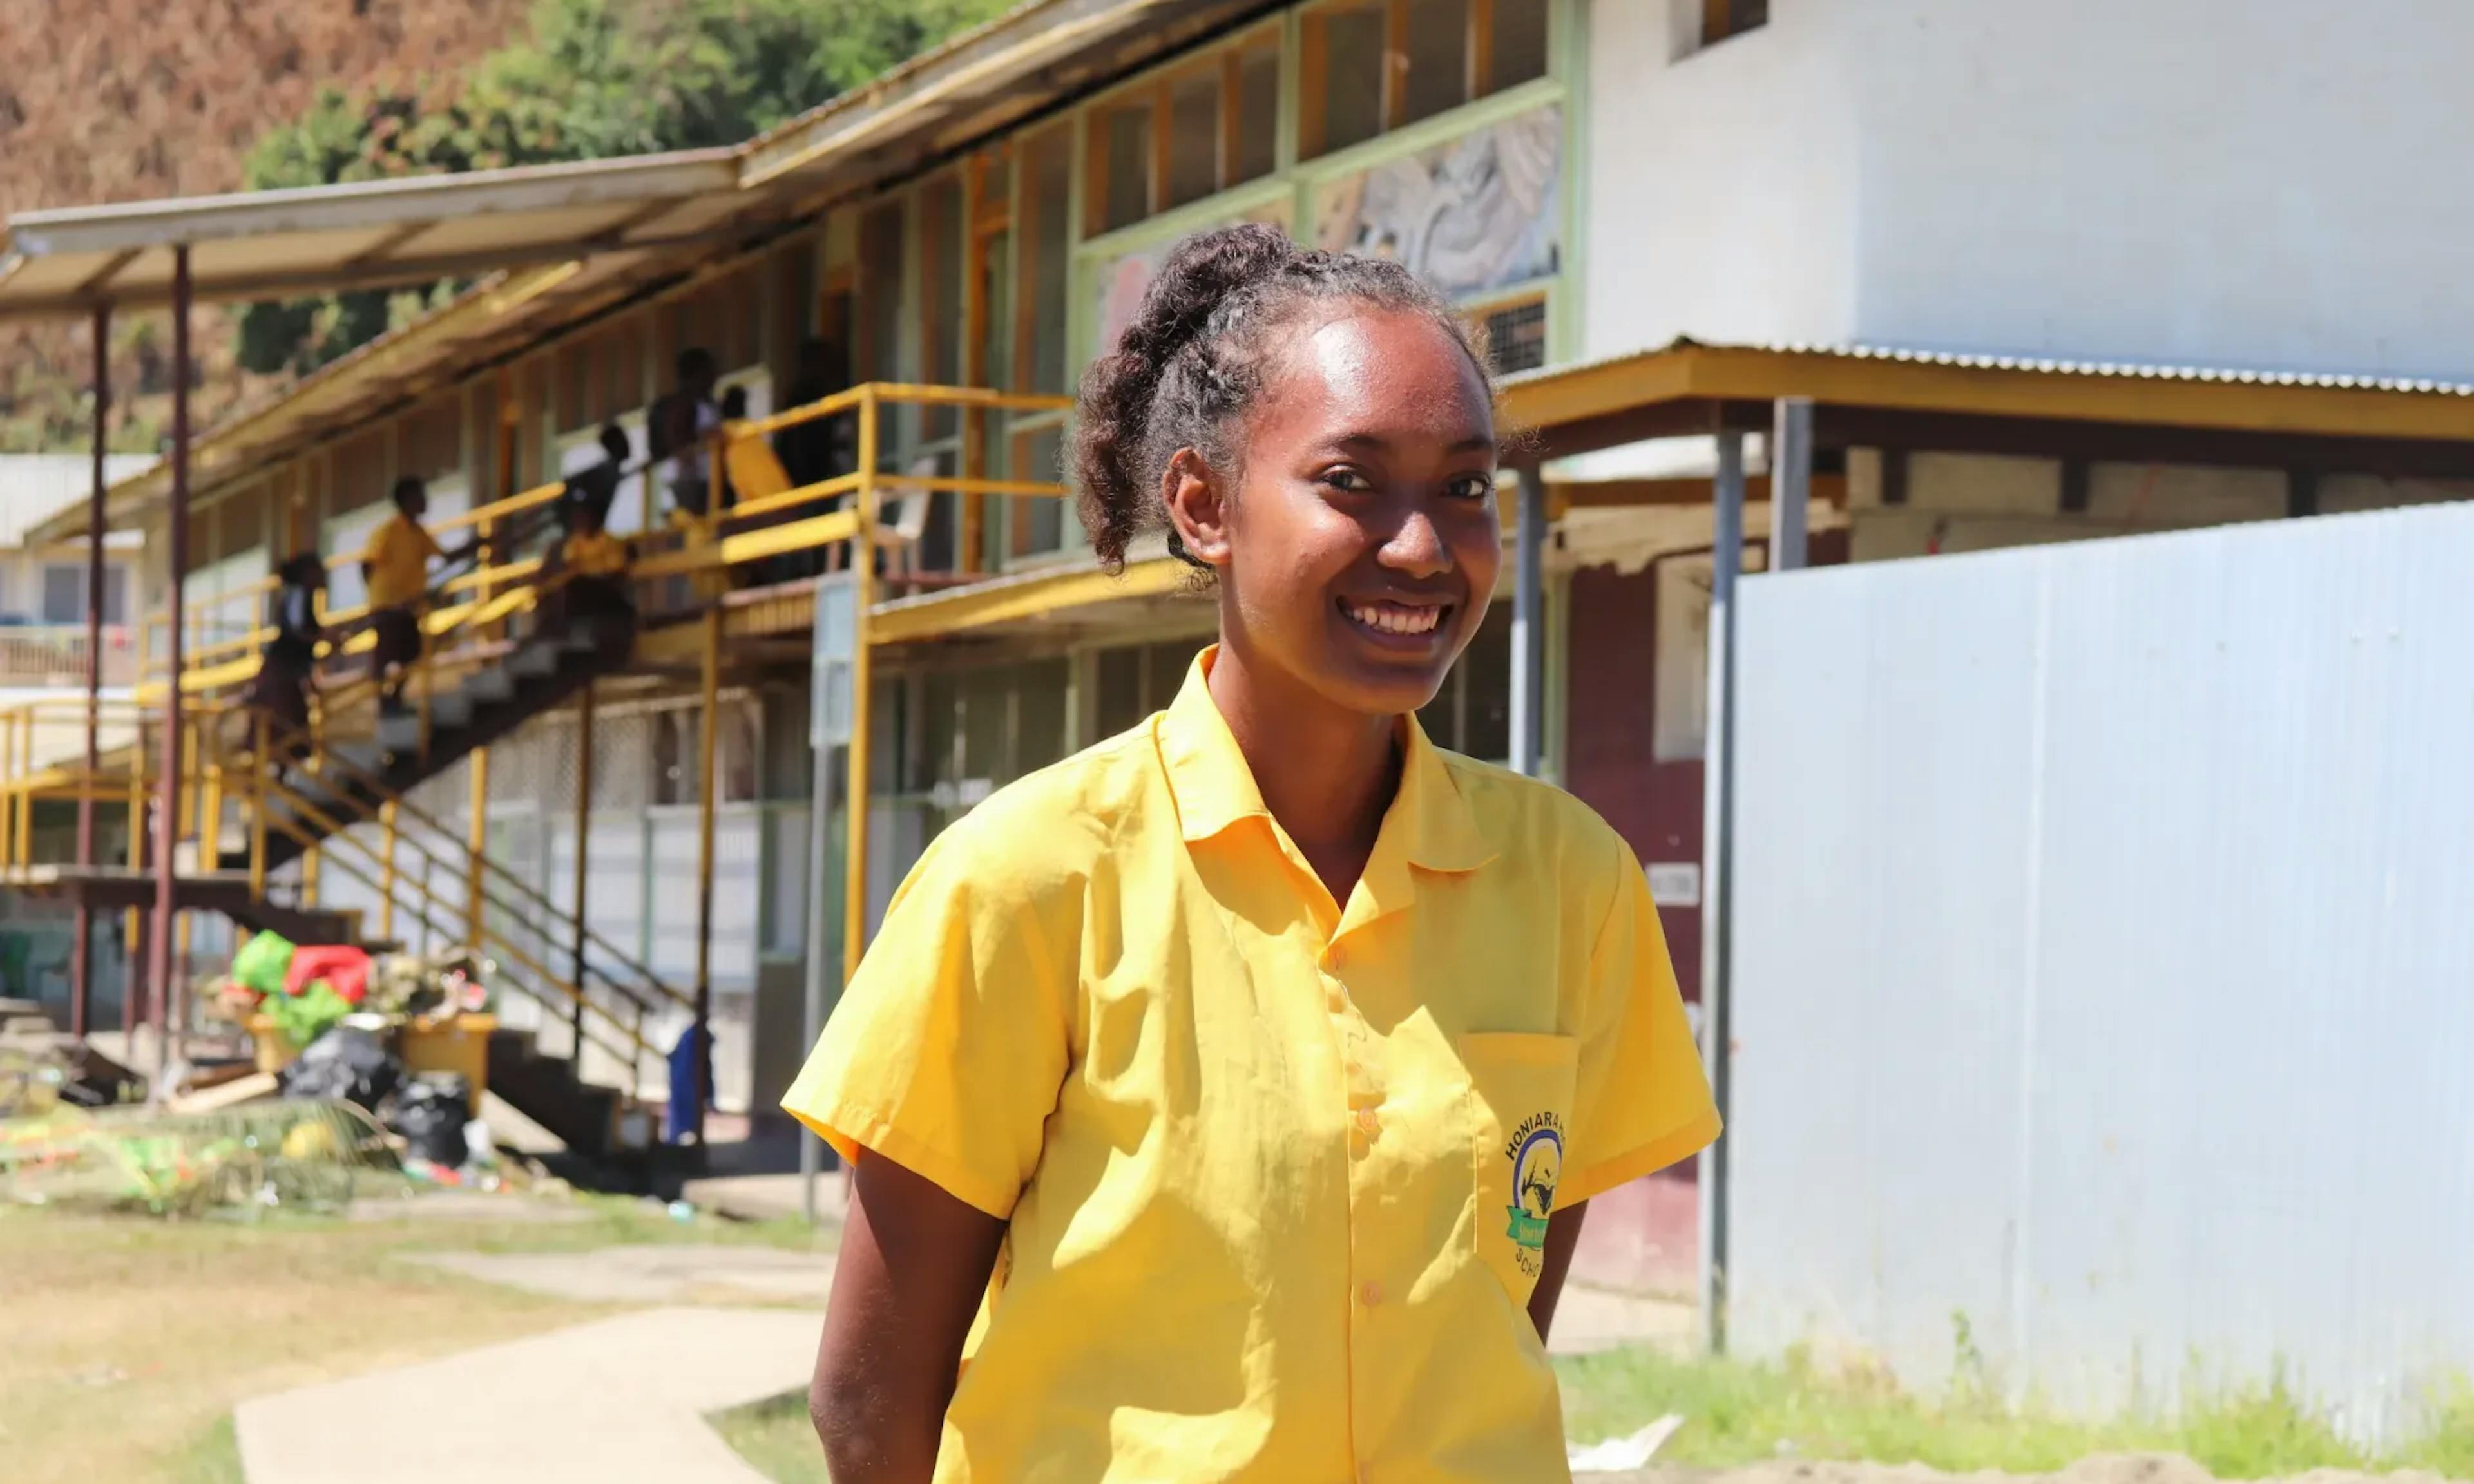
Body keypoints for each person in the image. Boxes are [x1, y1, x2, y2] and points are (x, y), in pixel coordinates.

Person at [786, 224, 1720, 1483]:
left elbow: (1499, 1314)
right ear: (1203, 505)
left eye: (1465, 487)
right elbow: (869, 1403)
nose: (1422, 546)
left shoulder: (1572, 883)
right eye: (1351, 480)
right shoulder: (1028, 880)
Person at [363, 477, 447, 715]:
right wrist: (381, 598)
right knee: (387, 654)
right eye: (420, 496)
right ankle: (384, 703)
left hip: (409, 606)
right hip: (388, 607)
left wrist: (483, 543)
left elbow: (445, 556)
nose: (425, 501)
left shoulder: (419, 533)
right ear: (407, 500)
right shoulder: (388, 532)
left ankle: (395, 698)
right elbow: (367, 565)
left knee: (412, 652)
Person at [246, 553, 324, 779]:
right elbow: (299, 630)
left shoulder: (301, 596)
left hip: (287, 675)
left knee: (287, 731)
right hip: (281, 676)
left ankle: (281, 779)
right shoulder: (299, 594)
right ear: (307, 574)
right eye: (317, 570)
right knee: (284, 728)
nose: (322, 574)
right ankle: (274, 779)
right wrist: (325, 636)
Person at [651, 347, 721, 521]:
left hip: (707, 478)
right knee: (699, 524)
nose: (715, 377)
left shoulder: (708, 403)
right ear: (696, 374)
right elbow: (678, 441)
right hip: (693, 480)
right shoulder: (684, 403)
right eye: (709, 371)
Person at [564, 423, 631, 531]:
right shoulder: (607, 471)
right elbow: (571, 483)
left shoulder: (613, 471)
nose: (628, 445)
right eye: (623, 441)